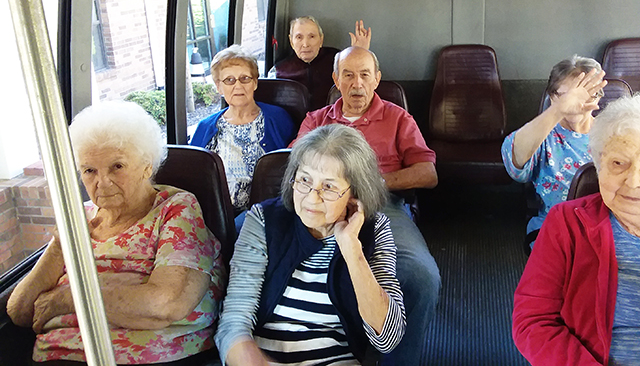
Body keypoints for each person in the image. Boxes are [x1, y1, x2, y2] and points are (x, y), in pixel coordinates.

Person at [7, 101, 226, 365]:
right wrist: (60, 245)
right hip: (57, 356)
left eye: (117, 167)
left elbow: (166, 304)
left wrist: (67, 298)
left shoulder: (176, 209)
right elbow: (20, 311)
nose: (102, 182)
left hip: (146, 357)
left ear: (147, 166)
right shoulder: (79, 218)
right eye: (89, 170)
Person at [513, 92, 640, 365]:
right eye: (618, 164)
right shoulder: (568, 222)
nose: (632, 182)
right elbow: (533, 321)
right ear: (600, 164)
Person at [294, 46, 440, 366]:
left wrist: (373, 182)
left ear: (377, 79)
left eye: (364, 75)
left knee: (421, 276)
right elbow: (291, 165)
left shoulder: (398, 118)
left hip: (381, 206)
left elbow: (428, 174)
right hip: (319, 206)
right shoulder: (316, 120)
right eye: (348, 74)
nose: (356, 83)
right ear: (336, 80)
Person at [215, 124, 406, 365]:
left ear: (354, 194)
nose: (311, 197)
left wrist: (351, 249)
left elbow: (388, 339)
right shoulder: (263, 220)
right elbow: (233, 323)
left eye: (328, 186)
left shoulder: (373, 230)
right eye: (304, 179)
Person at [501, 55, 606, 250]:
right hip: (558, 229)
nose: (576, 103)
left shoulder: (613, 133)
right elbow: (513, 161)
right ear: (552, 96)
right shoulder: (543, 135)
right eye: (566, 95)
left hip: (608, 227)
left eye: (585, 94)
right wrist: (560, 109)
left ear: (598, 96)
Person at [191, 45, 294, 214]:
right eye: (229, 80)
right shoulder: (205, 127)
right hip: (215, 213)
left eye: (245, 78)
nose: (237, 85)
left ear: (254, 82)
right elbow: (194, 176)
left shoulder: (279, 119)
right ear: (218, 87)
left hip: (266, 212)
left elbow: (292, 166)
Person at [270, 16, 372, 110]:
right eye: (299, 37)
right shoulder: (279, 70)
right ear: (291, 42)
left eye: (312, 36)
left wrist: (359, 53)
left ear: (321, 40)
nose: (305, 44)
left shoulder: (338, 60)